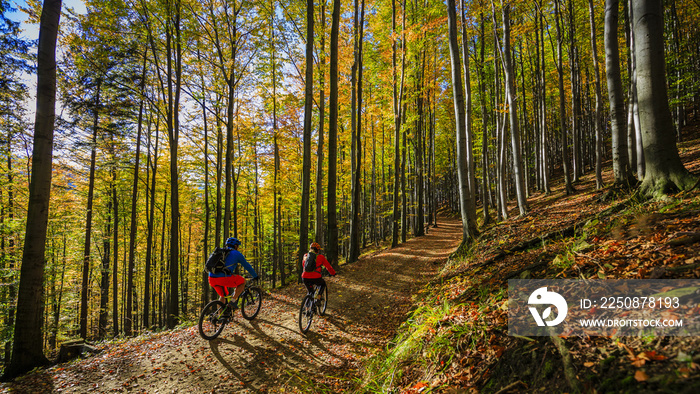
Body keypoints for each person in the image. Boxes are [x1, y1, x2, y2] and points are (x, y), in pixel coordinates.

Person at [208, 237, 258, 310]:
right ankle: (233, 301)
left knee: (223, 295)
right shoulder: (237, 254)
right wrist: (255, 276)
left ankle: (220, 316)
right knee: (243, 281)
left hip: (212, 278)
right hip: (223, 278)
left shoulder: (219, 253)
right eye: (238, 246)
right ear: (235, 246)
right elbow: (247, 266)